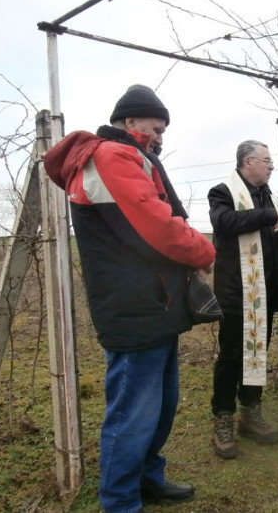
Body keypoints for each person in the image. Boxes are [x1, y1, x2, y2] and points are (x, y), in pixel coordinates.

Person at [44, 85, 215, 513]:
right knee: (133, 411)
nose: (159, 138)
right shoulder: (110, 157)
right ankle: (119, 501)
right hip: (133, 305)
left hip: (154, 301)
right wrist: (204, 251)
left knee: (161, 404)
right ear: (130, 121)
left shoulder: (131, 157)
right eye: (155, 128)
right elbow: (157, 226)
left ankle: (146, 480)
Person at [207, 140, 278, 460]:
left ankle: (250, 412)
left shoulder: (269, 196)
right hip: (237, 293)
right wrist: (270, 215)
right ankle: (223, 419)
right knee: (232, 356)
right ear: (247, 162)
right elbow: (225, 223)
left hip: (267, 291)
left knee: (257, 354)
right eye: (266, 160)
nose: (272, 165)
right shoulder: (223, 192)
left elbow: (275, 245)